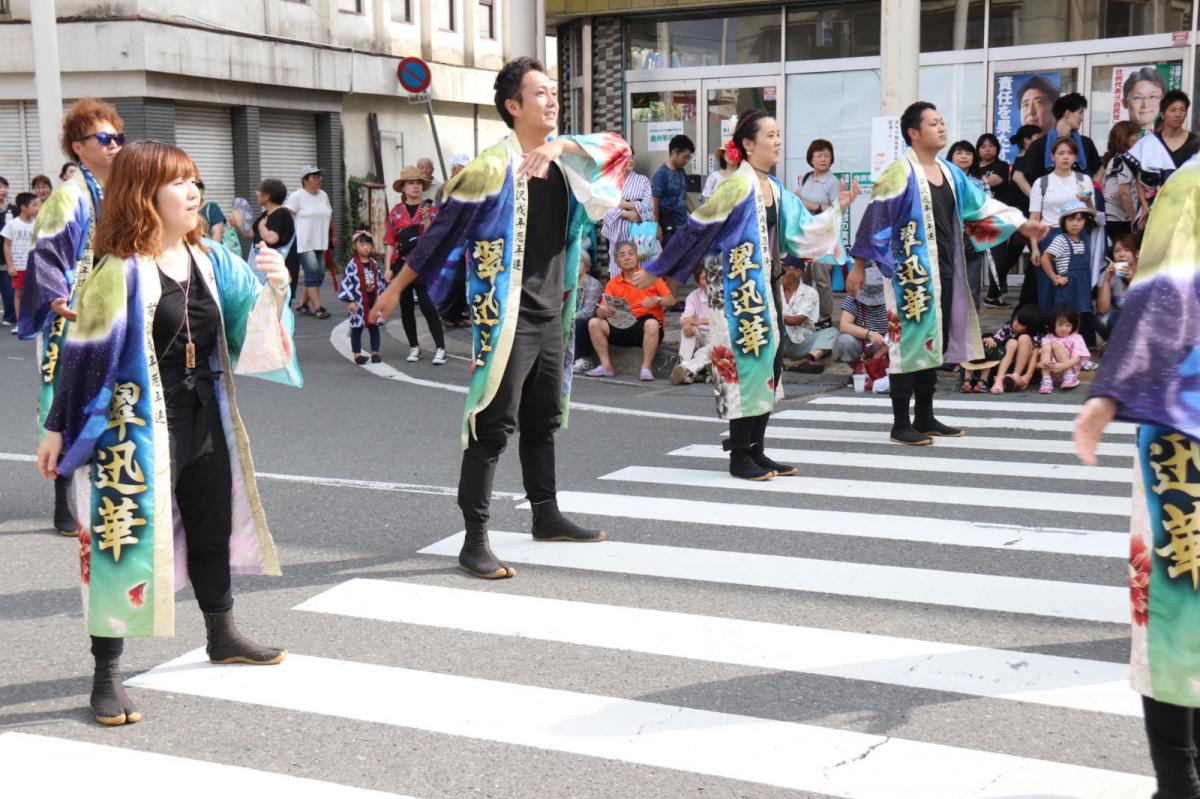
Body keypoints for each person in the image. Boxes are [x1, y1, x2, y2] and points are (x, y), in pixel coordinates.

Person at [34, 140, 301, 726]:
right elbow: (81, 359)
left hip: (203, 413)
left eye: (195, 181)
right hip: (132, 430)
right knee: (119, 545)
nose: (193, 192)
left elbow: (253, 331)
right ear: (143, 195)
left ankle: (222, 633)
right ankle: (107, 673)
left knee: (211, 528)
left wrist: (277, 286)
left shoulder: (210, 258)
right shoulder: (117, 271)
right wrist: (57, 428)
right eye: (178, 182)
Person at [370, 56, 630, 579]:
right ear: (513, 106)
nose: (552, 99)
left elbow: (619, 149)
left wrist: (560, 145)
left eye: (554, 91)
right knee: (491, 425)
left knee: (543, 420)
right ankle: (474, 539)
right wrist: (395, 288)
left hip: (553, 312)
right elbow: (440, 232)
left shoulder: (565, 160)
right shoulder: (491, 167)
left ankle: (545, 515)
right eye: (540, 93)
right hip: (507, 314)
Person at [637, 108, 855, 479]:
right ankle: (739, 455)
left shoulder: (775, 188)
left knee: (768, 364)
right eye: (770, 135)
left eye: (778, 134)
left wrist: (837, 210)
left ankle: (757, 449)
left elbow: (803, 229)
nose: (777, 141)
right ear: (748, 145)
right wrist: (658, 270)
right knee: (742, 365)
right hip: (736, 291)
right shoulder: (735, 186)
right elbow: (695, 229)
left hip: (764, 286)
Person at [1074, 159, 1200, 799]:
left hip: (1184, 421)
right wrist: (1113, 391)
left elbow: (1165, 292)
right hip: (1186, 421)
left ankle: (1180, 784)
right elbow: (1165, 294)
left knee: (1181, 617)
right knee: (1183, 615)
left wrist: (1113, 392)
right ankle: (1181, 782)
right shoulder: (1194, 181)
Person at [848, 101, 1045, 446]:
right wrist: (860, 265)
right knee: (907, 345)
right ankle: (900, 423)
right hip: (912, 275)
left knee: (932, 343)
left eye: (942, 122)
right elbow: (875, 217)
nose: (942, 128)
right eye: (933, 123)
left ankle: (924, 416)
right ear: (913, 133)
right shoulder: (899, 172)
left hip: (946, 270)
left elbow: (982, 207)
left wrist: (1020, 223)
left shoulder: (951, 173)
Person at [19, 98, 124, 538]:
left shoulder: (125, 190)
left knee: (117, 402)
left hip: (117, 314)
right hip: (75, 317)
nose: (115, 145)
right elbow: (45, 253)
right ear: (78, 148)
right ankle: (63, 493)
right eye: (104, 138)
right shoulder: (68, 197)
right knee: (65, 400)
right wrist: (57, 294)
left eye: (118, 137)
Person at [1025, 137, 1097, 311]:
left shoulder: (1083, 180)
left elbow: (1092, 213)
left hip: (1077, 235)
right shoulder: (1042, 182)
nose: (1065, 157)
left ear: (1076, 157)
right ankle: (1050, 329)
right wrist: (1034, 248)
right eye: (1061, 153)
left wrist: (1087, 202)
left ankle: (1075, 332)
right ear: (1052, 156)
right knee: (1048, 285)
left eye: (1070, 153)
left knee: (1077, 283)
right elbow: (1034, 219)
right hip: (1049, 235)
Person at [586, 240, 674, 380]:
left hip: (645, 326)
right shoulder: (613, 282)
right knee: (594, 323)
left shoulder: (650, 277)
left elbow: (671, 300)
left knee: (651, 323)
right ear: (617, 261)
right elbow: (600, 310)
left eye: (630, 254)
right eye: (622, 255)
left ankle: (646, 368)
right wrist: (604, 311)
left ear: (637, 257)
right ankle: (606, 366)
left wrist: (656, 300)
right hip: (622, 324)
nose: (627, 257)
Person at [385, 164, 446, 365]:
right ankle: (414, 347)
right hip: (401, 265)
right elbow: (390, 242)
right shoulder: (395, 212)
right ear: (403, 187)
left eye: (418, 183)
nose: (415, 187)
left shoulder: (430, 208)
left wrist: (427, 218)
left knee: (428, 305)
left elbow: (432, 237)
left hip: (423, 265)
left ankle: (440, 348)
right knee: (406, 307)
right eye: (411, 183)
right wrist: (387, 267)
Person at [985, 124, 1042, 308]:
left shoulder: (1022, 157)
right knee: (1020, 254)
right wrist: (1038, 198)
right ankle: (997, 293)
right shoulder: (1026, 158)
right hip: (1022, 213)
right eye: (1037, 138)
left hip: (1020, 212)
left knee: (1012, 255)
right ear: (1027, 140)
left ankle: (995, 293)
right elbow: (1018, 178)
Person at [1126, 89, 1200, 222]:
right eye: (1173, 110)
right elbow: (1139, 178)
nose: (1178, 114)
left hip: (1187, 213)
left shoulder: (1196, 143)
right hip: (1154, 211)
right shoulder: (1147, 144)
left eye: (1182, 110)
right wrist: (1144, 204)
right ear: (1163, 114)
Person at [1014, 93, 1102, 197]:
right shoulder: (1040, 144)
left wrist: (1091, 191)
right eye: (1080, 113)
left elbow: (1100, 169)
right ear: (1068, 113)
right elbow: (1018, 176)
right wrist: (1037, 199)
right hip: (1051, 206)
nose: (1082, 118)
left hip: (1079, 206)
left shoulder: (1086, 143)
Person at [797, 138, 841, 326]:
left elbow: (837, 211)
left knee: (822, 279)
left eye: (827, 155)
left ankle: (825, 317)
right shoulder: (806, 177)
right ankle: (806, 314)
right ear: (811, 158)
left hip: (822, 236)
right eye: (819, 155)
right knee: (804, 277)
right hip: (804, 235)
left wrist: (813, 206)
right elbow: (798, 200)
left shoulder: (833, 182)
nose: (823, 159)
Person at [286, 164, 333, 318]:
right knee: (313, 273)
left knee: (318, 275)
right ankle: (318, 307)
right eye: (314, 176)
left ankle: (302, 304)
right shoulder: (297, 196)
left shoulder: (323, 195)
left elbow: (329, 214)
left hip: (321, 241)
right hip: (304, 243)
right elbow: (286, 215)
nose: (318, 179)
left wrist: (332, 235)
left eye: (319, 175)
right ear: (305, 180)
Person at [1040, 200, 1096, 325]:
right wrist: (1054, 277)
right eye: (1070, 220)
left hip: (1081, 286)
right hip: (1067, 286)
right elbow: (1045, 258)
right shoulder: (1060, 240)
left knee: (1078, 316)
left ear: (1085, 222)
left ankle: (1075, 342)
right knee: (1065, 317)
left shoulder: (1083, 241)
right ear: (1063, 222)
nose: (1075, 224)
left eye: (1079, 220)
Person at [974, 133, 1012, 308]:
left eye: (991, 145)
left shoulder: (1001, 166)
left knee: (998, 257)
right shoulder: (974, 168)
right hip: (974, 217)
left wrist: (972, 184)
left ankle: (994, 294)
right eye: (983, 146)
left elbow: (993, 182)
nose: (987, 149)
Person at [599, 151, 653, 273]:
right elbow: (603, 206)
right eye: (626, 158)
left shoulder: (642, 180)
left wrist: (624, 204)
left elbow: (649, 207)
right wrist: (627, 213)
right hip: (617, 232)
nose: (630, 160)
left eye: (632, 157)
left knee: (640, 270)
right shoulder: (609, 181)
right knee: (618, 270)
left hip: (640, 231)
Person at [948, 140, 986, 311]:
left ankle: (973, 332)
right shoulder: (942, 179)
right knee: (948, 284)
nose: (964, 157)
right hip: (947, 237)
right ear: (951, 157)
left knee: (972, 285)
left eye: (968, 153)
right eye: (959, 153)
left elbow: (986, 209)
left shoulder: (980, 182)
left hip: (972, 239)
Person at [779, 261, 838, 371]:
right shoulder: (774, 291)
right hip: (778, 340)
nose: (779, 273)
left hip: (800, 341)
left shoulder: (810, 292)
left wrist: (776, 317)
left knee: (832, 332)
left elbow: (798, 320)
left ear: (797, 272)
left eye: (783, 270)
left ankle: (808, 360)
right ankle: (778, 361)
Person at [339, 227, 385, 365]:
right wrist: (350, 300)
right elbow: (347, 282)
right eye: (362, 244)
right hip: (358, 302)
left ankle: (375, 353)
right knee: (357, 328)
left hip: (373, 301)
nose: (366, 248)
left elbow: (380, 281)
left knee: (374, 327)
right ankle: (357, 354)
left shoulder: (374, 264)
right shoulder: (352, 265)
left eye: (368, 244)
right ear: (355, 246)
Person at [252, 178, 299, 296]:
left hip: (278, 270)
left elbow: (272, 238)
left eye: (258, 192)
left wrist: (262, 226)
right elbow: (253, 235)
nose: (256, 194)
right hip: (268, 269)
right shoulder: (266, 213)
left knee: (277, 308)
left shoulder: (283, 214)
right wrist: (238, 224)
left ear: (266, 196)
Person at [834, 266, 890, 363]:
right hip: (864, 342)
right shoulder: (853, 298)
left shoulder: (892, 300)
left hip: (890, 343)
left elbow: (903, 330)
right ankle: (858, 371)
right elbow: (844, 325)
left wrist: (884, 349)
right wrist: (870, 334)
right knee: (845, 341)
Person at [1101, 120, 1143, 245]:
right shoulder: (1121, 160)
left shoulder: (1117, 159)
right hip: (1120, 219)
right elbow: (1124, 193)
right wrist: (1134, 220)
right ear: (1124, 138)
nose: (1139, 138)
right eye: (1135, 134)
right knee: (1124, 254)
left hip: (1117, 218)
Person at [986, 304, 1043, 394]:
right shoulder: (1009, 327)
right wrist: (990, 339)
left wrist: (1028, 375)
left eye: (1021, 323)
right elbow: (997, 339)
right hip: (1008, 364)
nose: (1015, 323)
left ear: (1030, 326)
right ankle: (999, 379)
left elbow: (1035, 356)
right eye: (1015, 319)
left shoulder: (1036, 334)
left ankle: (1015, 376)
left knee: (1024, 338)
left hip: (1025, 367)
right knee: (1012, 342)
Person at [669, 262, 711, 384]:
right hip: (702, 335)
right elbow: (686, 316)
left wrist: (698, 321)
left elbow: (725, 318)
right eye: (704, 278)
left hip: (719, 335)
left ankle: (685, 369)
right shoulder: (694, 296)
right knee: (687, 330)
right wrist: (687, 325)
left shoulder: (725, 294)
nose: (708, 281)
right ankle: (686, 365)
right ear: (698, 283)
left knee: (711, 350)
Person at [2, 192, 39, 328]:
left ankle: (33, 320)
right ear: (23, 207)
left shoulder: (37, 224)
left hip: (33, 266)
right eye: (34, 205)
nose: (37, 208)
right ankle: (20, 322)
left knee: (34, 294)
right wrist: (10, 265)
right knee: (19, 294)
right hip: (18, 266)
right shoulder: (12, 224)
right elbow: (6, 245)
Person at [652, 134, 694, 247]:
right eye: (684, 157)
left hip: (683, 226)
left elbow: (684, 194)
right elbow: (654, 202)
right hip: (668, 230)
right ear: (674, 153)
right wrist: (656, 226)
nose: (686, 161)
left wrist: (695, 215)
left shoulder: (681, 171)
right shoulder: (661, 174)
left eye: (688, 158)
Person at [1094, 233, 1137, 341]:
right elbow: (1102, 310)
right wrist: (1107, 281)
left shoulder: (1145, 272)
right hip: (1120, 317)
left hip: (1140, 318)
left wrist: (1133, 280)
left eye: (1126, 250)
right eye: (1117, 251)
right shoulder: (1108, 273)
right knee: (1100, 319)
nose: (1121, 254)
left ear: (1137, 253)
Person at [1037, 303, 1088, 393]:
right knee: (1047, 346)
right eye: (1060, 325)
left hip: (1069, 368)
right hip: (1051, 370)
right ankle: (1046, 380)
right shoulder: (1047, 338)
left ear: (1073, 325)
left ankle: (1068, 376)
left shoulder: (1076, 337)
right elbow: (1041, 356)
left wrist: (1064, 366)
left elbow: (1077, 357)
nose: (1064, 328)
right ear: (1053, 324)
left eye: (1068, 325)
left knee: (1055, 345)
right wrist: (1041, 363)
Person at [570, 250, 603, 373]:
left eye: (579, 262)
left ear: (586, 266)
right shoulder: (567, 282)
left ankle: (584, 360)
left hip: (586, 320)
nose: (575, 265)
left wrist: (569, 317)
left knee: (577, 324)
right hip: (572, 316)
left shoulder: (593, 284)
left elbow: (589, 311)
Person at [1121, 66, 1166, 131]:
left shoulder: (1169, 138)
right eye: (1138, 98)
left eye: (1152, 97)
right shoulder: (1118, 138)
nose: (1145, 105)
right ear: (1125, 103)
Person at [0, 177, 16, 326]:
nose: (3, 190)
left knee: (8, 290)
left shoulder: (13, 209)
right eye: (0, 187)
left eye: (5, 187)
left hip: (6, 256)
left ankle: (10, 316)